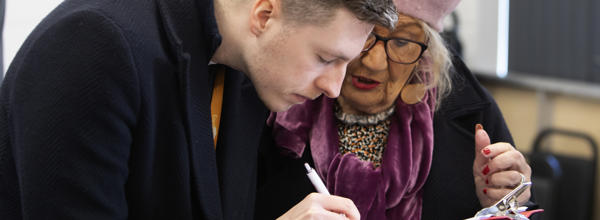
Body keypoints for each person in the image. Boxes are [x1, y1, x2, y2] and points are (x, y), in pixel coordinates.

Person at [0, 0, 398, 219]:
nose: (333, 88)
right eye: (325, 58)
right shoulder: (96, 46)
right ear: (264, 15)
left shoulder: (246, 67)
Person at [255, 0, 534, 219]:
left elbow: (517, 210)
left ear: (426, 52)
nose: (374, 62)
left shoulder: (471, 114)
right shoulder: (273, 101)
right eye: (364, 34)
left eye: (401, 42)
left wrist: (505, 205)